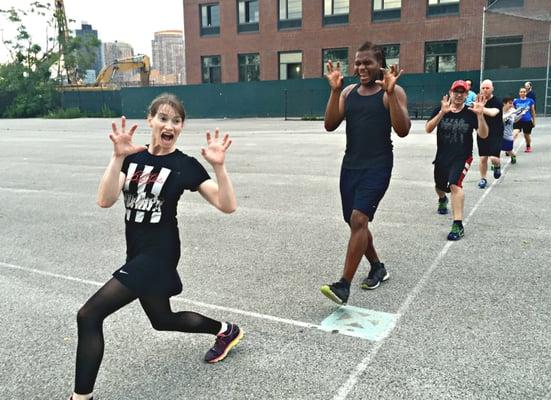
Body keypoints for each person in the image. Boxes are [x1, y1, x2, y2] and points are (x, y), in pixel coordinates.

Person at [69, 94, 243, 400]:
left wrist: (219, 168)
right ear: (150, 121)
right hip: (136, 252)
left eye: (176, 121)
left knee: (89, 315)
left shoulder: (185, 165)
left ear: (181, 127)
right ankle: (226, 330)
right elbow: (105, 200)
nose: (169, 125)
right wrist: (117, 158)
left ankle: (80, 398)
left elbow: (226, 205)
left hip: (159, 255)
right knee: (163, 320)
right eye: (163, 118)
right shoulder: (133, 158)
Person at [320, 41, 411, 305]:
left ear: (379, 65)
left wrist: (392, 93)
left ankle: (343, 285)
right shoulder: (348, 92)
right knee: (354, 222)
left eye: (367, 62)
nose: (361, 67)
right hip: (350, 165)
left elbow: (403, 129)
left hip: (378, 165)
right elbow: (329, 125)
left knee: (359, 219)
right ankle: (377, 267)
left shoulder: (391, 92)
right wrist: (335, 91)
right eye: (358, 62)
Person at [425, 80, 488, 241]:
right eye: (456, 92)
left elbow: (483, 135)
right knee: (440, 186)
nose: (459, 95)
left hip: (462, 156)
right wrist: (441, 113)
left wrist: (480, 116)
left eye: (463, 92)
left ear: (467, 95)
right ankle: (441, 199)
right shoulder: (441, 108)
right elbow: (428, 129)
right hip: (442, 156)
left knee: (455, 184)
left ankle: (457, 224)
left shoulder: (470, 112)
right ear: (451, 93)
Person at [477, 79, 503, 189]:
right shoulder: (478, 100)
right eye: (483, 88)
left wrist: (480, 108)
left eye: (487, 88)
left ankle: (497, 166)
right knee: (483, 158)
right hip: (482, 132)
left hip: (495, 133)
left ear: (492, 89)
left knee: (493, 158)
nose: (485, 90)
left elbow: (493, 112)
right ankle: (483, 178)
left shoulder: (497, 101)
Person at [501, 96, 528, 164]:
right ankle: (496, 166)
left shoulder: (513, 110)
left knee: (509, 151)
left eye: (512, 103)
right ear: (504, 103)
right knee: (495, 151)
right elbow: (501, 119)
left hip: (508, 135)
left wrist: (521, 114)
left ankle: (513, 156)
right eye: (510, 103)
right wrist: (510, 114)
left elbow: (515, 120)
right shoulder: (499, 111)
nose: (512, 105)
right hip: (498, 135)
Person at [513, 86, 536, 152]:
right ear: (519, 93)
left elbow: (533, 111)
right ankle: (509, 148)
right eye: (521, 92)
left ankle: (528, 146)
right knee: (515, 133)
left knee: (526, 135)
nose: (522, 93)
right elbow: (513, 110)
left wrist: (534, 121)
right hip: (517, 120)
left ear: (526, 93)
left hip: (527, 121)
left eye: (524, 92)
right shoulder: (515, 101)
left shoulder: (530, 101)